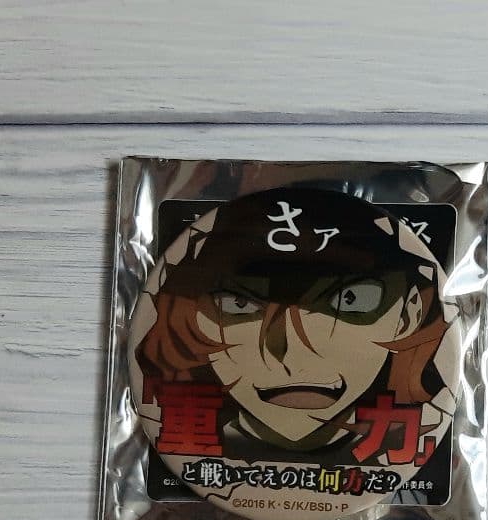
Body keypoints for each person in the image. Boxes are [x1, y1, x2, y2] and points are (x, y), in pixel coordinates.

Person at [134, 187, 449, 467]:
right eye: (238, 304)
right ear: (191, 316)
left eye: (351, 300)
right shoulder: (182, 435)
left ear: (408, 314)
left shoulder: (409, 442)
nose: (294, 355)